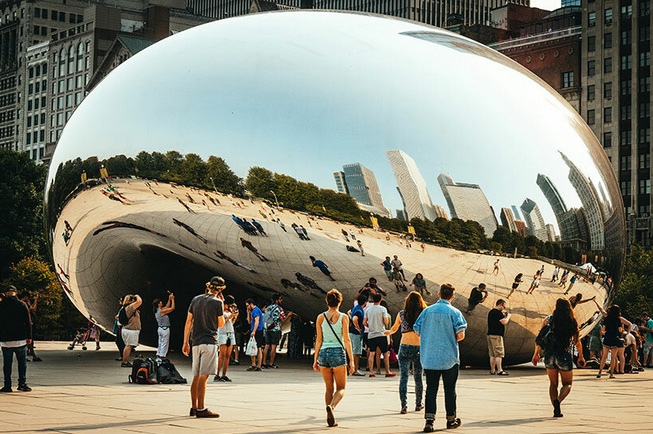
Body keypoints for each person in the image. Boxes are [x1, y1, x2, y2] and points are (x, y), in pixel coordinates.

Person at [414, 283, 466, 431]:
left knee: (431, 389)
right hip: (449, 357)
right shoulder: (455, 312)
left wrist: (430, 335)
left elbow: (417, 330)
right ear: (452, 297)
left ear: (439, 295)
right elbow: (460, 335)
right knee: (450, 390)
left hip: (429, 357)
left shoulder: (426, 312)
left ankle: (429, 421)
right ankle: (451, 420)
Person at [531, 298, 586, 417]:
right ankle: (558, 401)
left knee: (553, 384)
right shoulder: (572, 321)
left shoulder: (548, 320)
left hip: (549, 355)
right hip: (564, 355)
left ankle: (556, 409)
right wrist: (581, 356)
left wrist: (536, 354)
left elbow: (540, 338)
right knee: (567, 384)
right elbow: (577, 341)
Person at [182, 276, 225, 418]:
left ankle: (193, 407)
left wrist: (185, 342)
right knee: (203, 376)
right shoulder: (218, 302)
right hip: (210, 342)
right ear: (220, 290)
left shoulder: (196, 299)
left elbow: (188, 322)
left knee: (196, 375)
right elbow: (220, 324)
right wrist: (222, 308)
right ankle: (201, 409)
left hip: (196, 342)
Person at [313, 289, 355, 427]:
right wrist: (352, 361)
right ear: (340, 301)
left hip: (323, 353)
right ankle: (331, 407)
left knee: (328, 388)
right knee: (341, 388)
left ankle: (329, 417)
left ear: (327, 301)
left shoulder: (320, 317)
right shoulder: (343, 317)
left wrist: (315, 360)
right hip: (338, 352)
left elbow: (318, 340)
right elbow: (347, 339)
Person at [385, 291, 427, 414]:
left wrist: (388, 333)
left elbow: (394, 328)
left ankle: (404, 406)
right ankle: (419, 404)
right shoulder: (423, 314)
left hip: (404, 347)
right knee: (418, 377)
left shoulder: (402, 314)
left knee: (403, 377)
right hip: (419, 347)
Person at [0, 286, 32, 392]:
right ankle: (22, 383)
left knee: (7, 365)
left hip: (6, 340)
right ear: (16, 293)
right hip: (20, 339)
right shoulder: (22, 305)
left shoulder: (1, 305)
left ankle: (7, 385)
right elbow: (28, 322)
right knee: (22, 364)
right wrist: (29, 336)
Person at [363, 292, 395, 377]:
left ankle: (371, 372)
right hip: (381, 334)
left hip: (371, 334)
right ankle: (388, 371)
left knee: (372, 353)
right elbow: (386, 321)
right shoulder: (383, 309)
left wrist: (370, 325)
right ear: (380, 300)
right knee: (384, 353)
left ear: (373, 300)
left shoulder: (368, 310)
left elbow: (364, 322)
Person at [597, 305, 632, 378]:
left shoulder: (606, 318)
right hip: (615, 339)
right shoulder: (618, 319)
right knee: (613, 357)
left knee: (604, 356)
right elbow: (620, 330)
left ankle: (600, 372)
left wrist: (605, 331)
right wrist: (624, 332)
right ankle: (611, 374)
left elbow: (603, 329)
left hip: (607, 338)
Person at [263, 294, 292, 369]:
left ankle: (264, 362)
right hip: (275, 329)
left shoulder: (268, 308)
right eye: (280, 299)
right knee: (273, 347)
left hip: (267, 329)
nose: (281, 300)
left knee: (266, 346)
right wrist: (288, 315)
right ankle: (271, 363)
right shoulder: (279, 309)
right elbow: (283, 320)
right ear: (276, 300)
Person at [216, 295, 238, 382]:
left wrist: (234, 317)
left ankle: (224, 374)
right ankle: (217, 374)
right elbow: (221, 323)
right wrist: (230, 316)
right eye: (228, 305)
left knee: (228, 355)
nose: (229, 306)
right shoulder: (220, 311)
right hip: (222, 333)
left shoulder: (229, 311)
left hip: (230, 332)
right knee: (222, 355)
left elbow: (230, 323)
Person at [487, 299, 511, 375]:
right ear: (500, 305)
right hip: (496, 335)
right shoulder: (497, 312)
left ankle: (492, 370)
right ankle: (500, 370)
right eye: (504, 306)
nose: (504, 308)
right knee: (499, 354)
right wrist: (508, 317)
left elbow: (497, 320)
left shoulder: (491, 312)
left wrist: (504, 316)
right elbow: (504, 322)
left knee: (492, 354)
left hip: (490, 334)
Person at [121, 294, 142, 367]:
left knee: (128, 346)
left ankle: (125, 361)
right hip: (131, 330)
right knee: (128, 346)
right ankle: (125, 361)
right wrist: (137, 295)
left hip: (128, 329)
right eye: (133, 299)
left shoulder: (125, 308)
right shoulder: (130, 307)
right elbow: (140, 301)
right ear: (131, 300)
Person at [153, 292, 175, 359]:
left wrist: (169, 299)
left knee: (160, 343)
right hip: (165, 329)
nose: (162, 303)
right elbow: (172, 308)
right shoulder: (162, 311)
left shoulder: (158, 310)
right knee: (164, 343)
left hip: (160, 328)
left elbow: (166, 306)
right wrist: (173, 299)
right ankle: (162, 356)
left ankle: (158, 355)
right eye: (161, 302)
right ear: (159, 303)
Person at [349, 293, 366, 376]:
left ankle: (352, 368)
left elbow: (350, 313)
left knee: (354, 351)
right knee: (356, 352)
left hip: (352, 333)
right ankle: (355, 369)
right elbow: (355, 318)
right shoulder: (359, 310)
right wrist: (358, 328)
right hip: (356, 334)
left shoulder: (355, 308)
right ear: (365, 302)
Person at [20, 293, 41, 362]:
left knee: (30, 341)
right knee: (29, 340)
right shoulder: (23, 303)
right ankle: (31, 356)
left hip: (30, 323)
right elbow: (33, 309)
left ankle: (31, 355)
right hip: (28, 323)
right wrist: (36, 300)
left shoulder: (25, 303)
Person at [246, 298, 264, 371]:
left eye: (247, 305)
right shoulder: (253, 311)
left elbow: (257, 321)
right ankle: (253, 364)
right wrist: (248, 313)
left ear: (251, 304)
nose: (247, 307)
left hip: (257, 330)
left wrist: (254, 331)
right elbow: (249, 322)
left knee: (258, 347)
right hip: (253, 330)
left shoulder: (256, 310)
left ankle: (259, 365)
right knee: (252, 346)